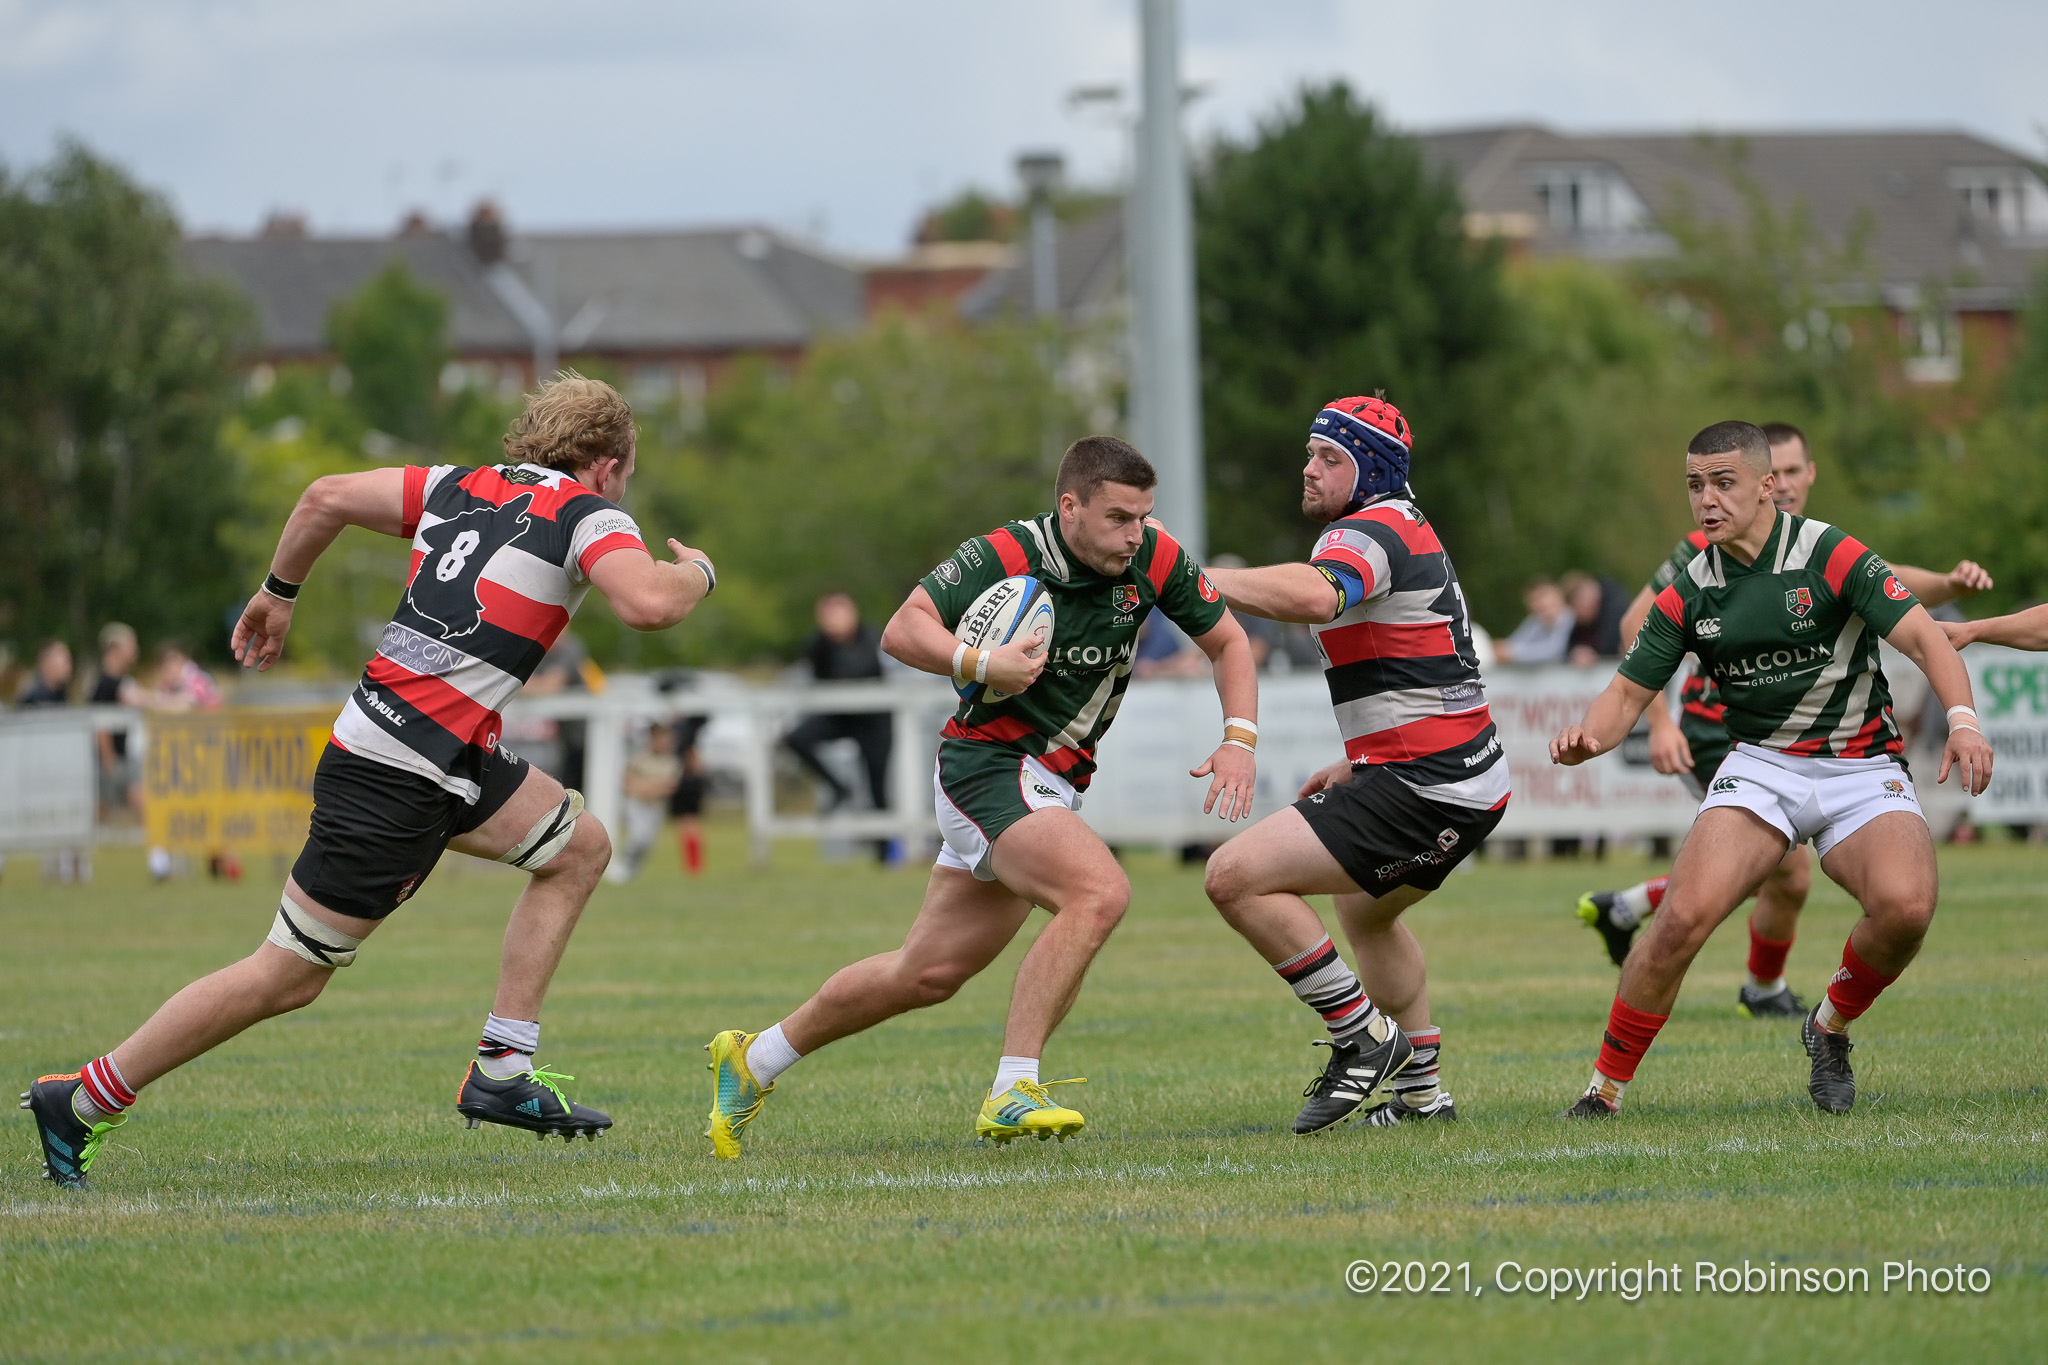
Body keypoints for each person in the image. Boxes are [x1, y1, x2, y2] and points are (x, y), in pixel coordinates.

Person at [21, 373, 715, 1189]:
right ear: (605, 463)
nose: (625, 487)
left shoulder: (457, 487)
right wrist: (698, 572)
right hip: (399, 773)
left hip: (430, 748)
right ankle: (81, 1099)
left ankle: (502, 1066)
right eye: (627, 471)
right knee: (285, 974)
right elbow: (647, 604)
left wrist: (277, 595)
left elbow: (322, 496)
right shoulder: (587, 512)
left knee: (579, 847)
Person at [701, 436, 1258, 1156]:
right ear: (1070, 506)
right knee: (1099, 892)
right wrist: (979, 660)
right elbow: (904, 629)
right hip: (986, 764)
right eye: (1119, 516)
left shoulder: (1153, 558)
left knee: (926, 972)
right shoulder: (1003, 553)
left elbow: (1230, 643)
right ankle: (1013, 1088)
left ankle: (753, 1060)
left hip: (1048, 779)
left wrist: (1238, 739)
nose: (1135, 533)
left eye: (1143, 516)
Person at [1549, 420, 1991, 1119]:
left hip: (1861, 762)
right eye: (1695, 485)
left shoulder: (1831, 553)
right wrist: (1588, 739)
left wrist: (1962, 720)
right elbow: (1627, 695)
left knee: (1906, 908)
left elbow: (1926, 640)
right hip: (1760, 767)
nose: (1707, 500)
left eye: (1723, 483)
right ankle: (1603, 1090)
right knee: (1683, 919)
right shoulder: (1691, 587)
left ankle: (1828, 1026)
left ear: (1767, 486)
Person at [1202, 396, 1509, 1133]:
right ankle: (1425, 1098)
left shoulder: (1369, 529)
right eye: (1309, 453)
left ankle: (1363, 1036)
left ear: (1371, 468)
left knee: (1233, 877)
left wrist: (1191, 575)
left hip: (1430, 785)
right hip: (1452, 774)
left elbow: (1316, 593)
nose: (1308, 470)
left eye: (1329, 458)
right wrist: (1359, 759)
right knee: (1365, 913)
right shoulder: (1397, 524)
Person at [783, 592, 894, 837]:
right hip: (839, 716)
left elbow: (860, 670)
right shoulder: (818, 643)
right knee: (795, 738)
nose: (834, 620)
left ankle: (885, 853)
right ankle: (837, 787)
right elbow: (816, 676)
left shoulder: (871, 636)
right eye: (828, 615)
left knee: (877, 787)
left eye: (839, 613)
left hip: (874, 720)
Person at [89, 623, 147, 821]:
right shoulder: (105, 683)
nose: (135, 649)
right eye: (131, 644)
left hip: (118, 757)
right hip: (109, 759)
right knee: (101, 810)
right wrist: (108, 759)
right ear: (115, 648)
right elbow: (100, 724)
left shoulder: (117, 681)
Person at [620, 721, 683, 880]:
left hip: (656, 807)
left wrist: (644, 788)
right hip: (638, 804)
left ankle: (633, 870)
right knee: (638, 836)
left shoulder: (671, 762)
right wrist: (645, 788)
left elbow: (668, 786)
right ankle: (623, 868)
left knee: (648, 842)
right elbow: (628, 781)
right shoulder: (640, 758)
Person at [1496, 578, 1572, 663]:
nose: (1541, 602)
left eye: (1543, 595)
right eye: (1534, 599)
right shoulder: (1535, 621)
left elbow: (1555, 650)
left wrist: (1513, 653)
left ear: (1558, 595)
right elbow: (1515, 642)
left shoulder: (1571, 618)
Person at [1562, 571, 1627, 664]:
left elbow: (1611, 646)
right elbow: (1570, 644)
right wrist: (1576, 651)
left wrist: (1593, 654)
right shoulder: (1584, 621)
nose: (1577, 616)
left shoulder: (1616, 608)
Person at [15, 639, 74, 707]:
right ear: (47, 663)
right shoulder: (33, 699)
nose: (69, 667)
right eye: (64, 662)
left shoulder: (61, 692)